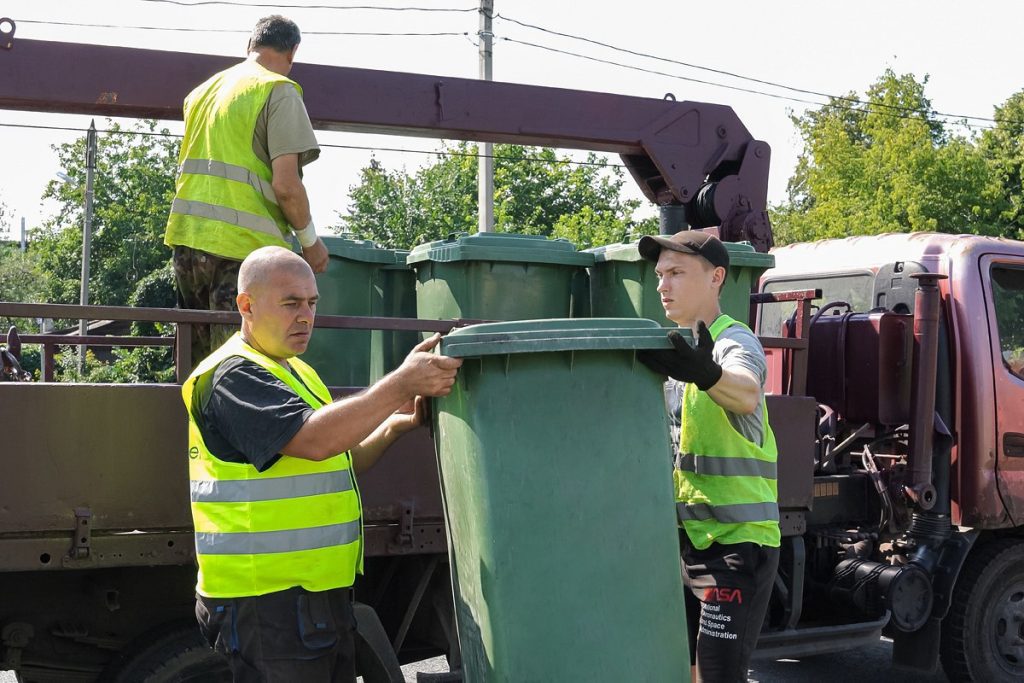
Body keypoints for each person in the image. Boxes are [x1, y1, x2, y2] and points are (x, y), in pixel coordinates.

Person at [182, 246, 462, 681]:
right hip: (267, 603)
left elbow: (336, 457)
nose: (305, 315)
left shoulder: (295, 371)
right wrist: (400, 383)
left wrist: (394, 426)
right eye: (291, 303)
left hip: (312, 599)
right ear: (246, 305)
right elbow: (314, 440)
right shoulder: (233, 375)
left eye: (312, 303)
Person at [636, 230, 780, 683]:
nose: (662, 286)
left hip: (736, 545)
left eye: (676, 273)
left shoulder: (732, 342)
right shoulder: (678, 354)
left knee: (719, 676)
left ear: (716, 277)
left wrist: (709, 372)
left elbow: (746, 393)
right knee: (685, 672)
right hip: (688, 542)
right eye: (660, 275)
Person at [165, 15, 329, 365]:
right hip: (241, 253)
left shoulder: (202, 93)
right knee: (239, 368)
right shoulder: (278, 90)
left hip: (187, 245)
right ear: (293, 52)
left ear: (250, 46)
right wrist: (311, 244)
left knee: (196, 368)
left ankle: (190, 423)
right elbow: (286, 185)